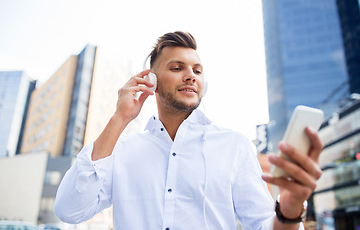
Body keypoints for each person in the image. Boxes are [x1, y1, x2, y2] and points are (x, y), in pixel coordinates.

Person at [54, 31, 323, 230]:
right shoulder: (122, 151)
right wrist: (120, 118)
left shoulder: (235, 146)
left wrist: (288, 211)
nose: (191, 75)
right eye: (177, 67)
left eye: (197, 70)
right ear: (151, 81)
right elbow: (69, 209)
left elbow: (264, 225)